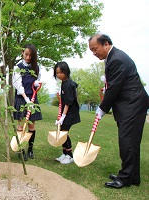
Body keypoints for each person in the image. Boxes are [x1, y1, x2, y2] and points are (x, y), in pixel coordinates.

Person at [89, 33, 148, 188]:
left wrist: (102, 109)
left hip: (132, 105)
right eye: (92, 51)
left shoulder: (117, 59)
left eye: (95, 49)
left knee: (127, 141)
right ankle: (132, 177)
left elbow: (114, 89)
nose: (94, 53)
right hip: (132, 104)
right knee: (132, 142)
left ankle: (125, 178)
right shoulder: (113, 58)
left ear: (106, 44)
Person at [12, 44, 42, 161]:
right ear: (22, 53)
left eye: (31, 55)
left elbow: (37, 80)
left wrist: (37, 84)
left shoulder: (36, 67)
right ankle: (21, 150)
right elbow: (18, 85)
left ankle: (30, 149)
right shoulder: (18, 67)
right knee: (20, 125)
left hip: (33, 98)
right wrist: (26, 99)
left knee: (31, 125)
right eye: (26, 54)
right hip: (21, 97)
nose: (28, 57)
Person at [53, 61, 80, 164]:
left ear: (66, 72)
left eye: (61, 73)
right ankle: (64, 153)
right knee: (62, 132)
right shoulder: (64, 82)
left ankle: (69, 155)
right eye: (57, 73)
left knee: (63, 133)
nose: (59, 75)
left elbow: (68, 103)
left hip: (70, 113)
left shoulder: (68, 84)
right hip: (67, 112)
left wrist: (63, 117)